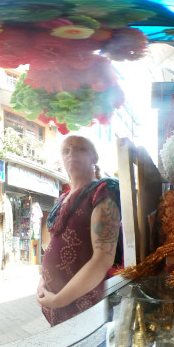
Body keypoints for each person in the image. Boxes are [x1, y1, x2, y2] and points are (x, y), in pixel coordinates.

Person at [36, 135, 121, 326]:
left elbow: (102, 259)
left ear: (95, 157)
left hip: (84, 309)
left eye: (80, 149)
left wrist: (58, 300)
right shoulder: (62, 199)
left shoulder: (103, 191)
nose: (71, 153)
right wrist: (42, 283)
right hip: (56, 309)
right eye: (66, 150)